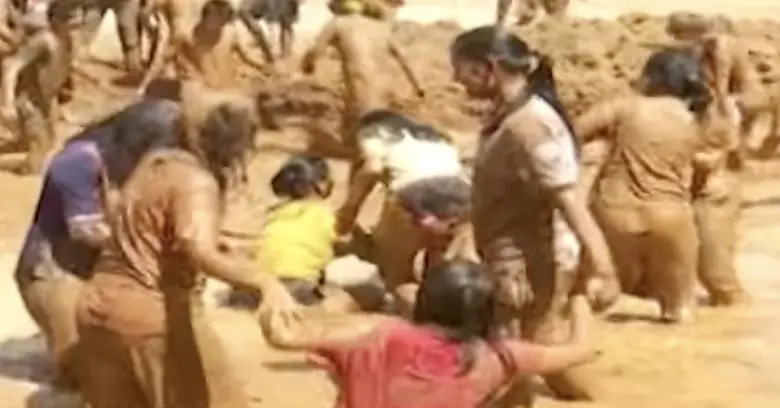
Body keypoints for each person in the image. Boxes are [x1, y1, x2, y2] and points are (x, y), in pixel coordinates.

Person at [76, 83, 295, 408]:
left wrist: (223, 244)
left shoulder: (153, 164)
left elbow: (146, 223)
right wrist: (264, 282)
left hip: (97, 305)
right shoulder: (196, 180)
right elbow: (195, 244)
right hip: (151, 313)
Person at [449, 26, 619, 404]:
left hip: (528, 262)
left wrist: (603, 267)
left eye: (461, 69)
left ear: (488, 68)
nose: (455, 79)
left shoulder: (530, 125)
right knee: (534, 351)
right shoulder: (510, 116)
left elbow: (568, 200)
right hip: (513, 255)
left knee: (512, 362)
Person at [259, 259, 598, 408]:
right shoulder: (500, 355)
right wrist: (581, 298)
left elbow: (281, 335)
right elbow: (583, 348)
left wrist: (269, 289)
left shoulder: (377, 331)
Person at [13, 97, 180, 394]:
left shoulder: (126, 164)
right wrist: (146, 244)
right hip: (54, 273)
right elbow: (85, 230)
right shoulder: (78, 161)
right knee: (79, 373)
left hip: (94, 269)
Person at [336, 109, 475, 316]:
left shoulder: (375, 133)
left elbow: (372, 169)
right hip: (462, 202)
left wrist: (348, 212)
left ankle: (409, 320)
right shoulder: (435, 137)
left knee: (397, 274)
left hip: (415, 200)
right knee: (439, 275)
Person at [665, 12, 755, 307]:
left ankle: (733, 308)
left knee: (717, 274)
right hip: (678, 166)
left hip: (718, 168)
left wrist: (729, 104)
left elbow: (758, 96)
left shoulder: (727, 52)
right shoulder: (670, 62)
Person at [300, 0, 424, 168]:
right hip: (386, 95)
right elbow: (403, 58)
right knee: (376, 139)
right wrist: (418, 86)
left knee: (364, 153)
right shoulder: (381, 27)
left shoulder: (338, 23)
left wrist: (307, 66)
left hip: (362, 96)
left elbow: (315, 51)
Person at [0, 0, 74, 175]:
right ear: (55, 20)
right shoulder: (43, 41)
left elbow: (56, 71)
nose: (73, 23)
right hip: (29, 102)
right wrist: (7, 104)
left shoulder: (65, 40)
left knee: (43, 142)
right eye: (68, 19)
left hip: (45, 102)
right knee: (36, 158)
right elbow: (10, 66)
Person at [138, 0, 270, 94]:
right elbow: (163, 59)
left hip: (223, 84)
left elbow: (247, 55)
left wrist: (265, 67)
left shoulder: (229, 33)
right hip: (200, 83)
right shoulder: (188, 35)